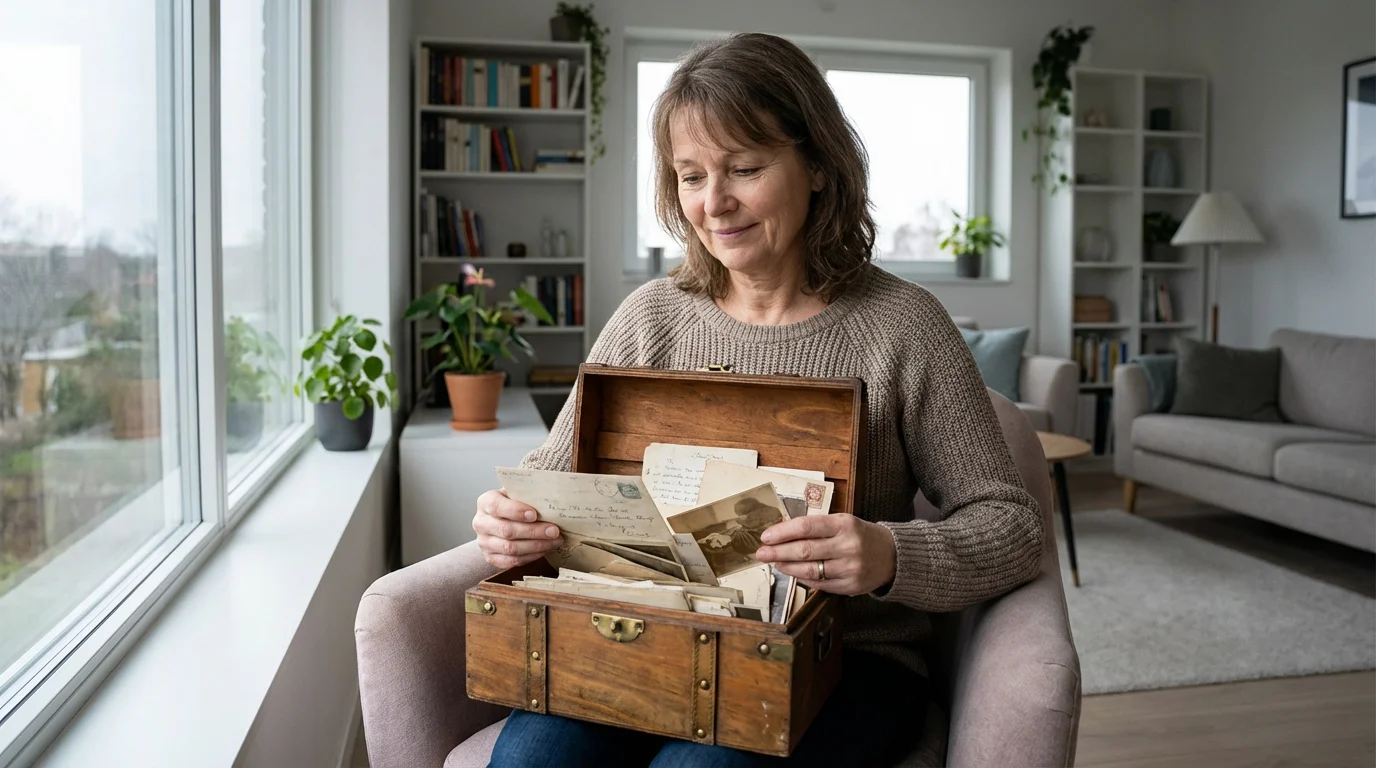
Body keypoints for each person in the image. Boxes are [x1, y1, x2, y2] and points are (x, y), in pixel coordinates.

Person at [472, 32, 1042, 768]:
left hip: (849, 665)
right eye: (690, 176)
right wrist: (511, 521)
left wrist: (888, 553)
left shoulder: (904, 326)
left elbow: (1012, 528)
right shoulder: (651, 316)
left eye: (744, 168)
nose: (715, 204)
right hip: (651, 640)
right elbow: (551, 480)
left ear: (816, 166)